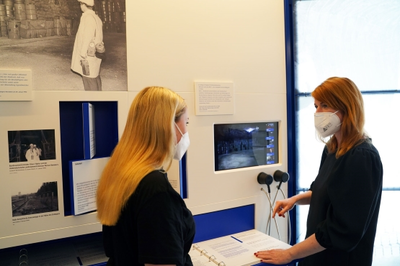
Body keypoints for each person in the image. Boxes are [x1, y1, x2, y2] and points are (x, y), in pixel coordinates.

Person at [255, 77, 383, 265]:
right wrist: (296, 199)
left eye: (324, 105)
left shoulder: (362, 157)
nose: (318, 113)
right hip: (316, 255)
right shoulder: (333, 148)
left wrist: (289, 254)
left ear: (346, 107)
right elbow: (324, 192)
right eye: (316, 106)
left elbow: (341, 229)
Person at [96, 86, 195, 266]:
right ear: (169, 125)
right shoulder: (156, 190)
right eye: (186, 123)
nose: (187, 130)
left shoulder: (121, 172)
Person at [71, 0, 104, 91]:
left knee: (88, 78)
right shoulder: (96, 17)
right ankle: (99, 97)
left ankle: (93, 101)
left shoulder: (88, 18)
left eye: (81, 4)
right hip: (96, 51)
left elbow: (87, 36)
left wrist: (82, 53)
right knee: (95, 75)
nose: (80, 6)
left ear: (84, 5)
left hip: (89, 52)